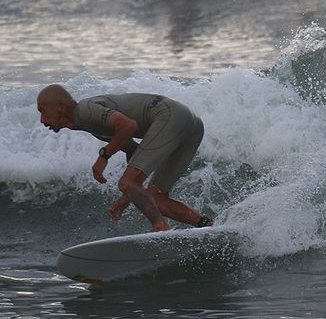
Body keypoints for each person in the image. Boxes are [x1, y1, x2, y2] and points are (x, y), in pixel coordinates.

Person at [36, 84, 213, 232]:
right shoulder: (88, 122)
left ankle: (161, 227)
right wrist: (129, 196)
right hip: (191, 125)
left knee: (126, 183)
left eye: (42, 111)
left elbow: (128, 126)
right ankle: (208, 227)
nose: (42, 120)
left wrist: (104, 157)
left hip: (170, 116)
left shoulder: (85, 110)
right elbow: (133, 152)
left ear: (60, 106)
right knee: (156, 198)